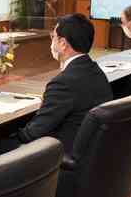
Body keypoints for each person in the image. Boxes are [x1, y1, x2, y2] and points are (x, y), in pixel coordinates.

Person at [9, 13, 112, 154]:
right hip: (92, 151)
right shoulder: (95, 70)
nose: (52, 43)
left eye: (53, 37)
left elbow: (33, 133)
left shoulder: (63, 83)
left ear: (63, 44)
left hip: (64, 153)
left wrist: (7, 136)